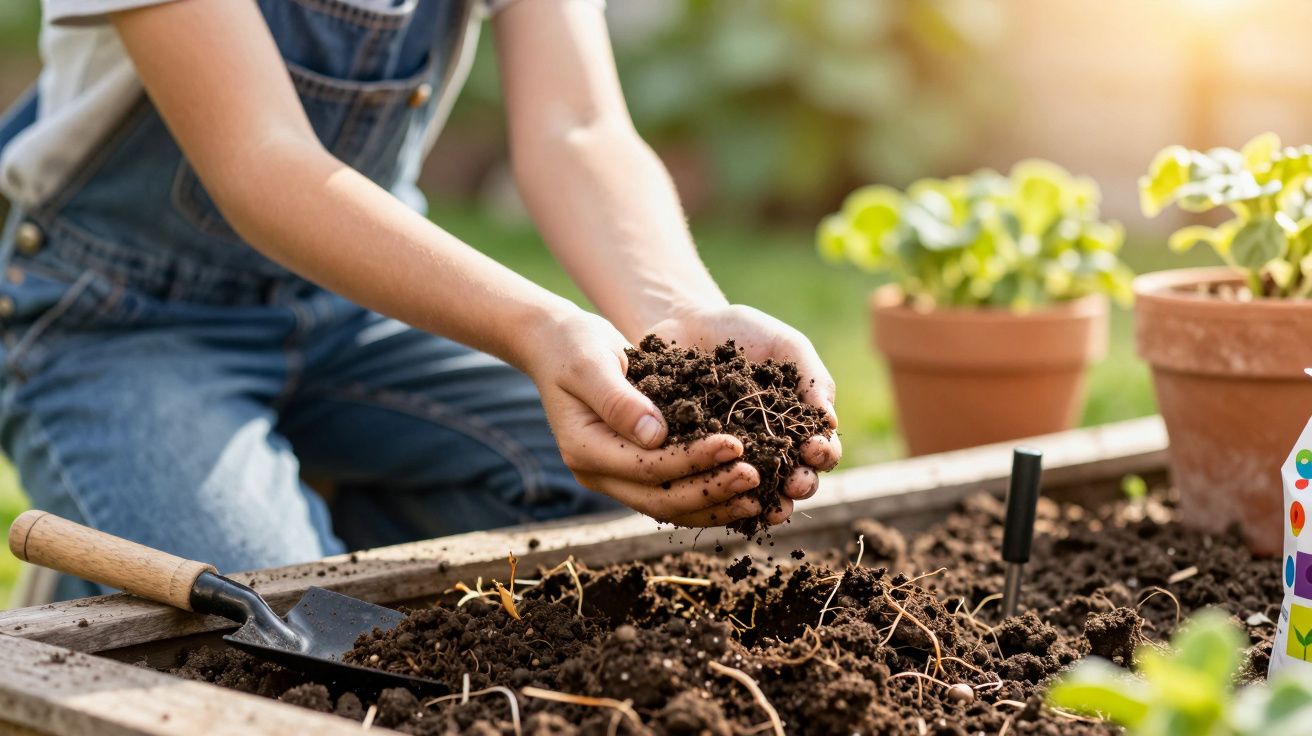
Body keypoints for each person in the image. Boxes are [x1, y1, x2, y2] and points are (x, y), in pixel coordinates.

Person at [0, 0, 840, 600]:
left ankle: (240, 495)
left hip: (363, 309)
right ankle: (110, 539)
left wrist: (678, 325)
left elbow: (577, 127)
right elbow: (259, 158)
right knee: (258, 618)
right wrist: (540, 326)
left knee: (607, 496)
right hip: (128, 319)